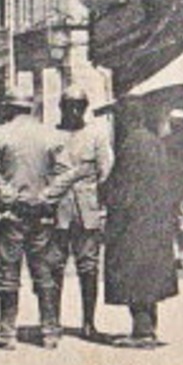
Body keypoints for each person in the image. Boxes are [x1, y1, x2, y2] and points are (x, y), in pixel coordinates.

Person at [0, 88, 63, 350]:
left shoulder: (0, 134)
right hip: (42, 215)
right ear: (30, 108)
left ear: (8, 108)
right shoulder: (49, 134)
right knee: (44, 272)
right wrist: (45, 197)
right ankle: (49, 332)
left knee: (8, 273)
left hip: (11, 214)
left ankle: (7, 333)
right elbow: (64, 173)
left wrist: (11, 196)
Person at [103, 102, 181, 348]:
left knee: (133, 274)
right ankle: (148, 328)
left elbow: (120, 185)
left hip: (134, 221)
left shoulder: (131, 145)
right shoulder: (153, 142)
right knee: (149, 274)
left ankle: (142, 332)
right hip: (155, 220)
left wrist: (102, 193)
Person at [42, 86, 117, 341]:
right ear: (61, 108)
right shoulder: (49, 135)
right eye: (68, 106)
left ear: (85, 109)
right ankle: (53, 322)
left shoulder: (96, 135)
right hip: (57, 212)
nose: (74, 111)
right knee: (54, 267)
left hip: (88, 209)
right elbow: (43, 172)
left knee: (89, 267)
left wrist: (99, 201)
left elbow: (106, 171)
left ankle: (88, 322)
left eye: (79, 106)